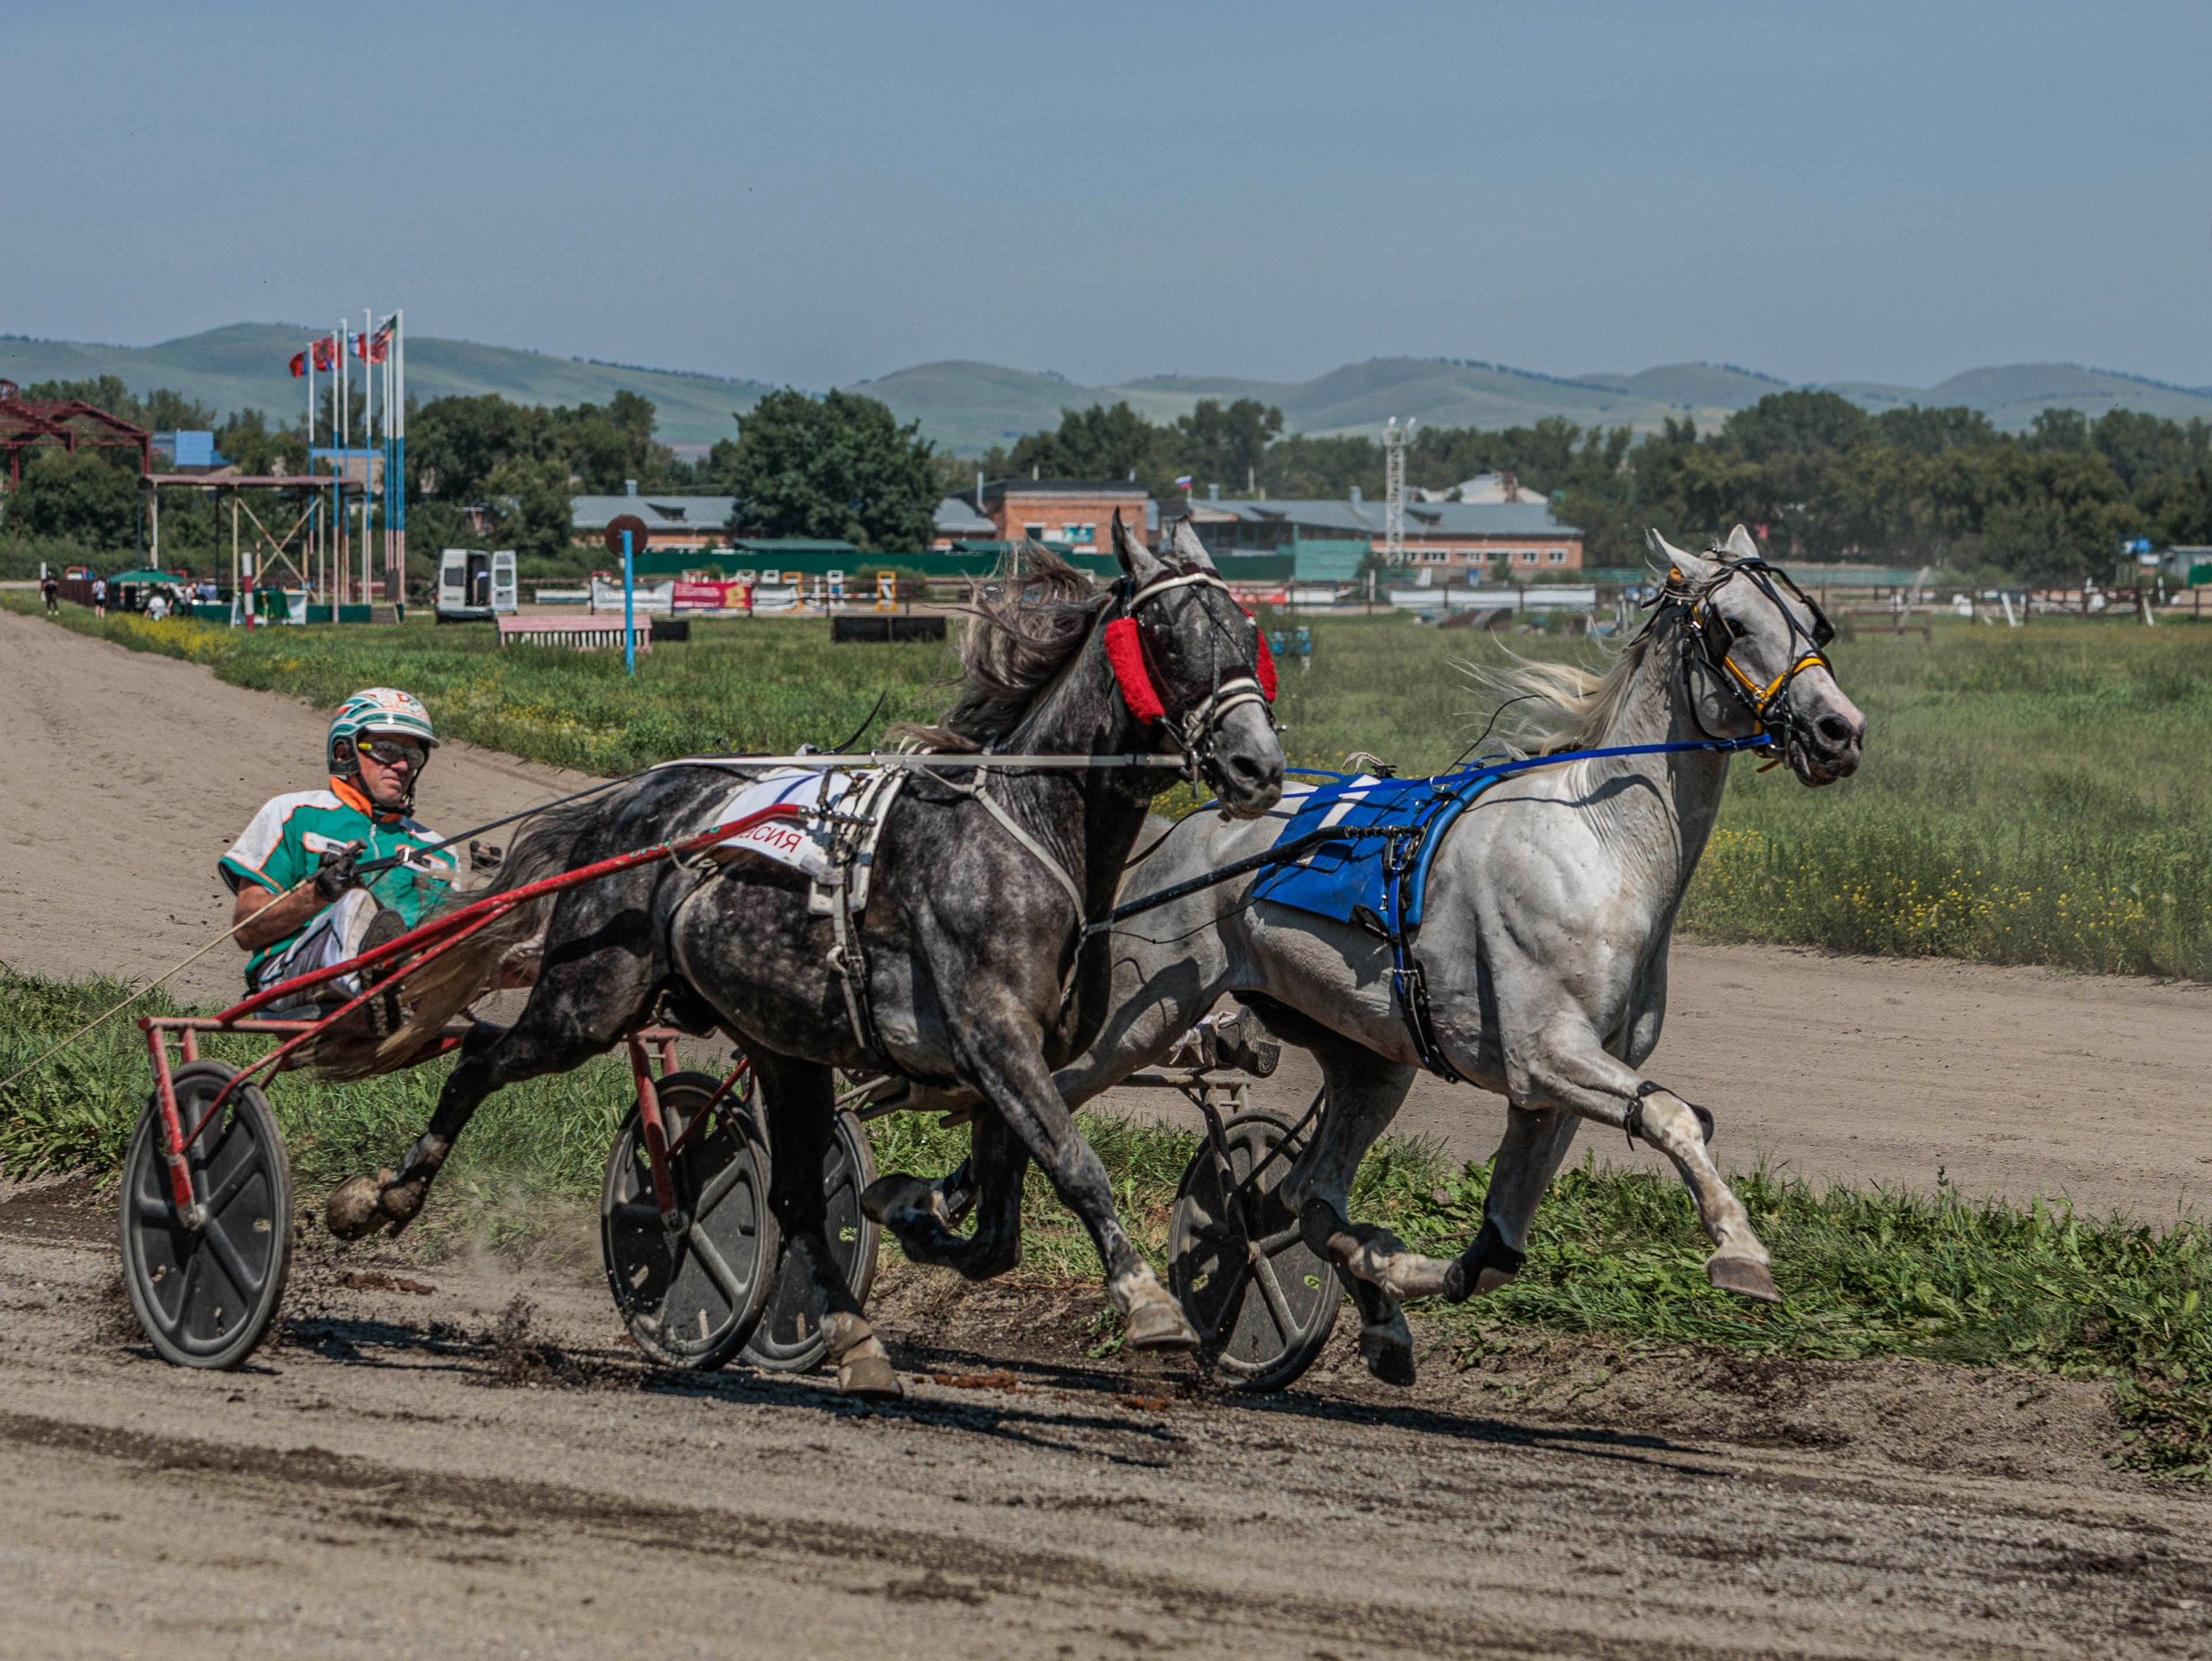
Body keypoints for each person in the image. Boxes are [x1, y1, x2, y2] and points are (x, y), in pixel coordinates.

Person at [219, 688, 454, 1013]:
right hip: (290, 981)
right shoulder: (294, 814)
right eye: (386, 750)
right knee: (355, 902)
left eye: (412, 756)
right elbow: (246, 930)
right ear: (344, 752)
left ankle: (390, 987)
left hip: (410, 987)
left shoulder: (439, 851)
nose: (402, 765)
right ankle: (376, 987)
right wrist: (317, 893)